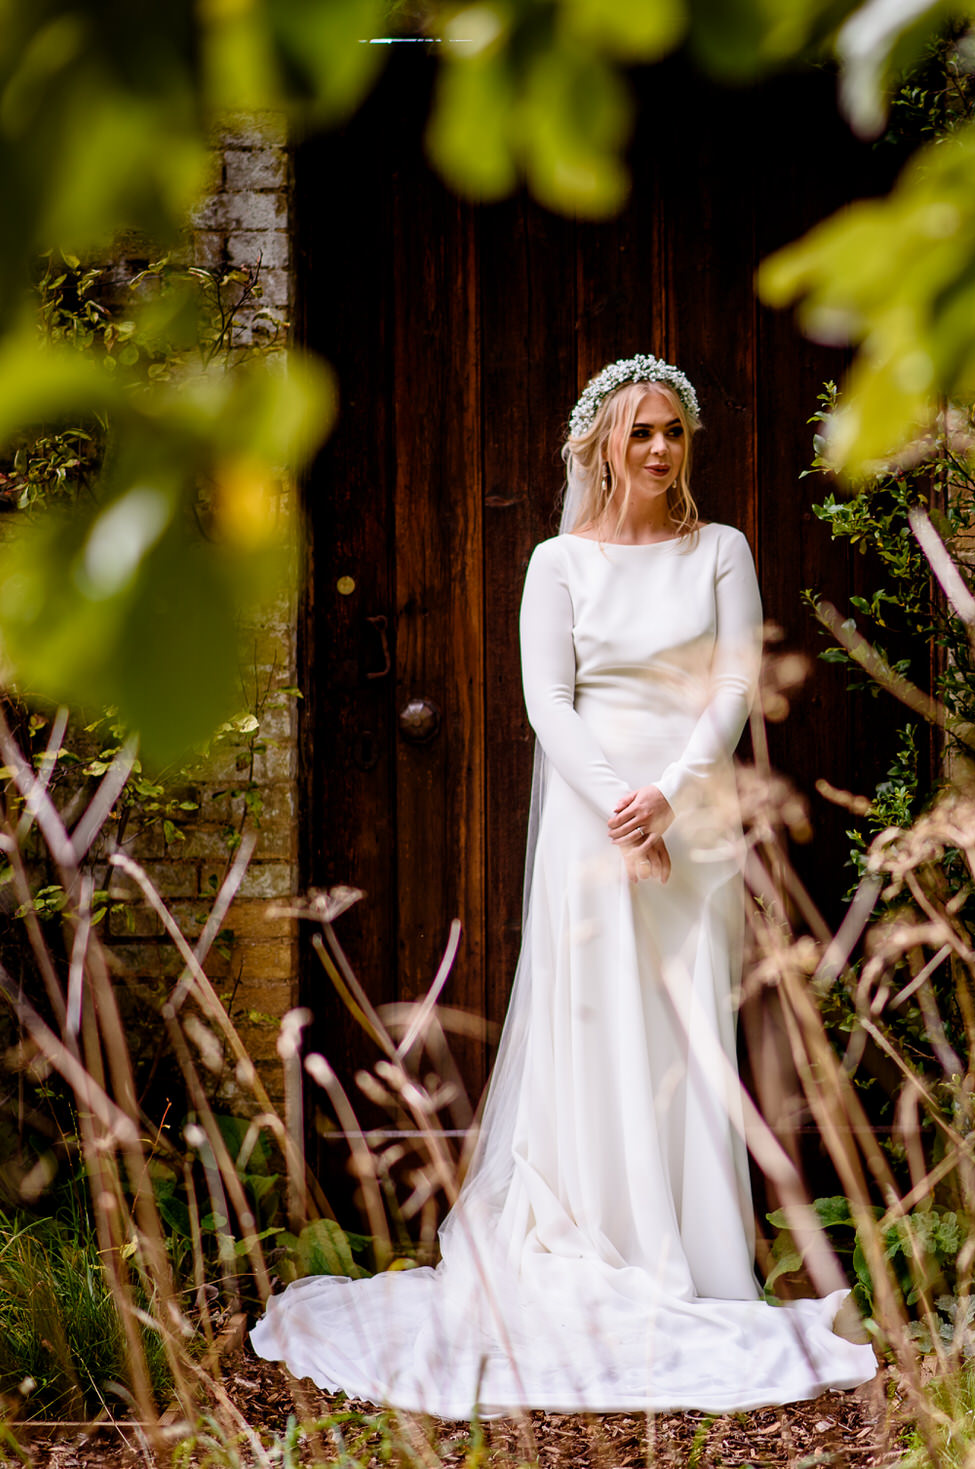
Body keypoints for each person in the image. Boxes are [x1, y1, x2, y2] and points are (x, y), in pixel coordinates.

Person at [250, 355, 877, 1417]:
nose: (662, 448)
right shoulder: (558, 562)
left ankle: (695, 1256)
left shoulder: (719, 550)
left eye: (673, 431)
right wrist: (617, 805)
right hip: (589, 825)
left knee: (682, 1022)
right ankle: (593, 1228)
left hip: (694, 820)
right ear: (601, 446)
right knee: (595, 1020)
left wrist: (670, 798)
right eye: (641, 432)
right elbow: (548, 698)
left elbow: (732, 680)